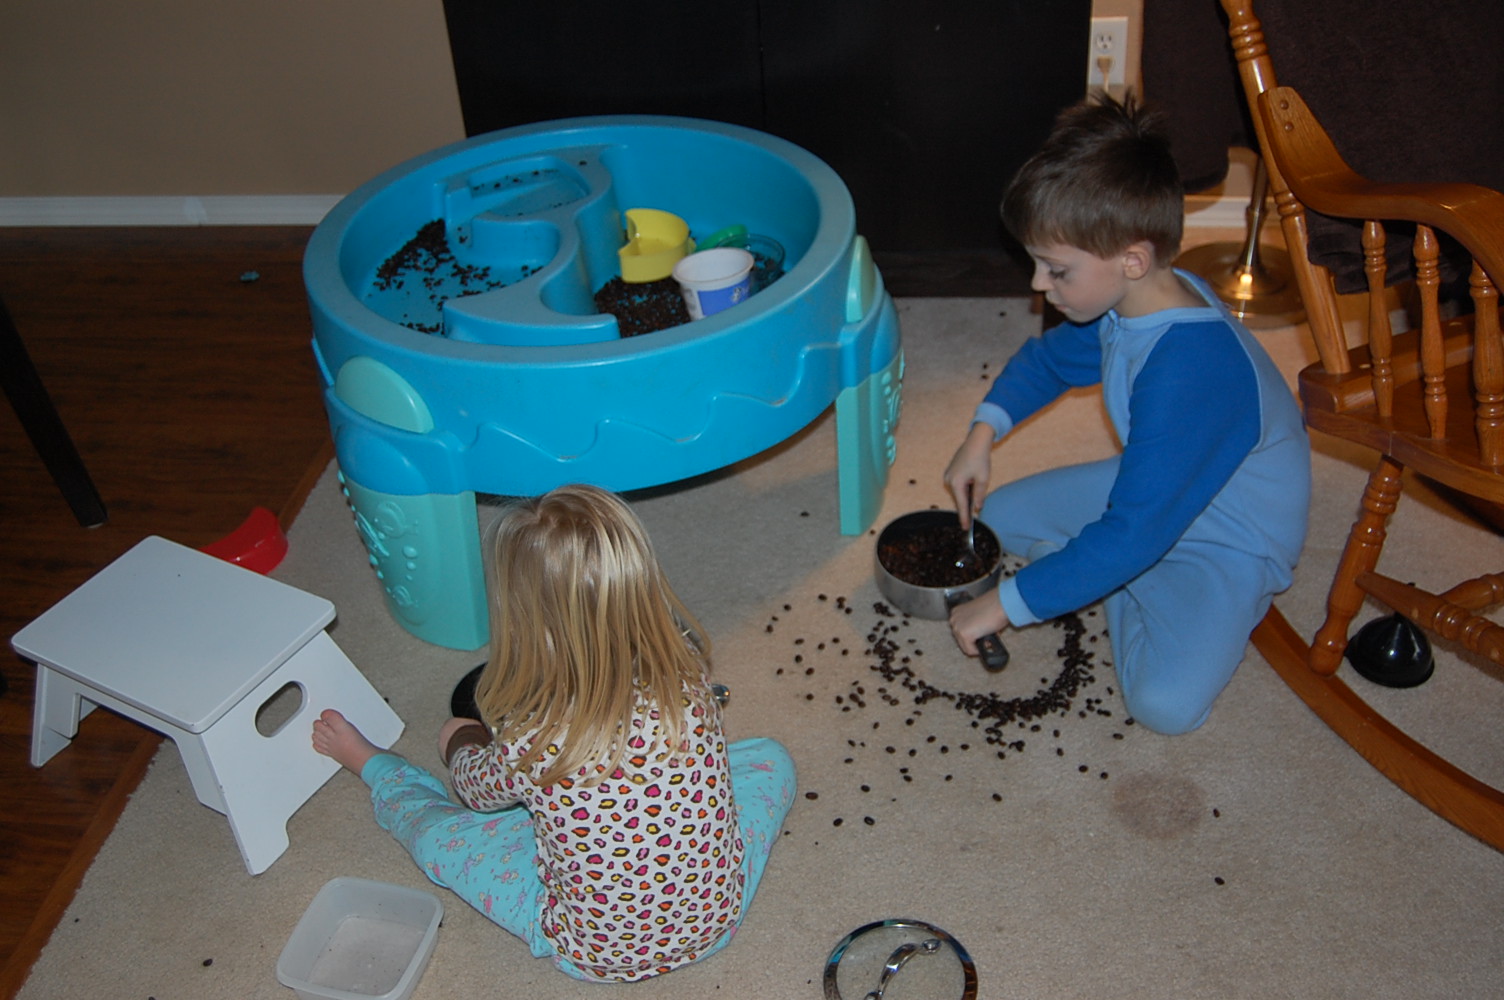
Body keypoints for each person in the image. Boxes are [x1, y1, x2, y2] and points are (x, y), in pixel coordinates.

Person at [312, 484, 796, 983]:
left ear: (521, 618)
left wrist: (460, 741)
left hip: (591, 949)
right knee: (770, 759)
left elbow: (475, 792)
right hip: (714, 920)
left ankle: (373, 765)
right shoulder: (690, 682)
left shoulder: (531, 743)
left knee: (440, 838)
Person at [943, 93, 1311, 735]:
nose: (1037, 285)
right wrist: (981, 436)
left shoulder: (1192, 372)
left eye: (1056, 270)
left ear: (1132, 259)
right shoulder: (1126, 302)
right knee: (999, 518)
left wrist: (1006, 604)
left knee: (1164, 706)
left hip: (1231, 535)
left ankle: (1111, 576)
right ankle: (1105, 569)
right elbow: (1050, 363)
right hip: (1158, 487)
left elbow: (1138, 529)